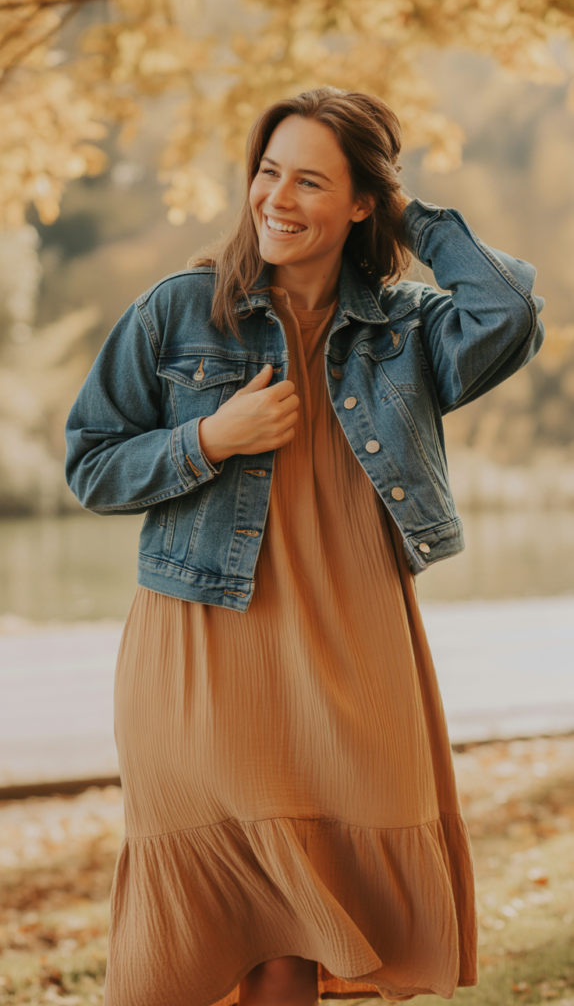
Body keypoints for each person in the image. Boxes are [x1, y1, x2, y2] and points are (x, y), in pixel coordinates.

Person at [65, 87, 544, 1006]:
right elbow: (90, 463)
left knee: (294, 940)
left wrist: (411, 216)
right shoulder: (179, 311)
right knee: (241, 908)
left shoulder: (406, 328)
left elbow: (508, 313)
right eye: (268, 171)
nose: (276, 198)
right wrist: (210, 439)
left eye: (312, 181)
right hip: (205, 645)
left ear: (365, 202)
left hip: (350, 649)